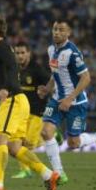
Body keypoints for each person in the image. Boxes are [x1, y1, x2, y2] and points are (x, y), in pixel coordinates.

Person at [0, 14, 59, 190]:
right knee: (14, 147)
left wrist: (5, 88)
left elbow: (12, 70)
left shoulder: (1, 48)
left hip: (13, 99)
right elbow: (0, 81)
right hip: (20, 100)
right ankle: (48, 174)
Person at [38, 19, 96, 185]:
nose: (56, 32)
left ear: (68, 33)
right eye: (55, 29)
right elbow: (55, 73)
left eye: (61, 30)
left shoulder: (73, 52)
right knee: (45, 132)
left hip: (75, 103)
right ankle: (59, 174)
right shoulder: (51, 50)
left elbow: (86, 78)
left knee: (73, 143)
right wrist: (48, 88)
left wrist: (70, 98)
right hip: (57, 99)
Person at [11, 42, 63, 179]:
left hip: (37, 112)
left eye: (23, 53)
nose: (20, 56)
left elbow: (51, 84)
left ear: (28, 53)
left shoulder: (37, 69)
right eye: (17, 53)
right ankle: (25, 170)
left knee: (27, 144)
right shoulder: (15, 69)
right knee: (18, 141)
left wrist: (47, 92)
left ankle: (53, 136)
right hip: (21, 112)